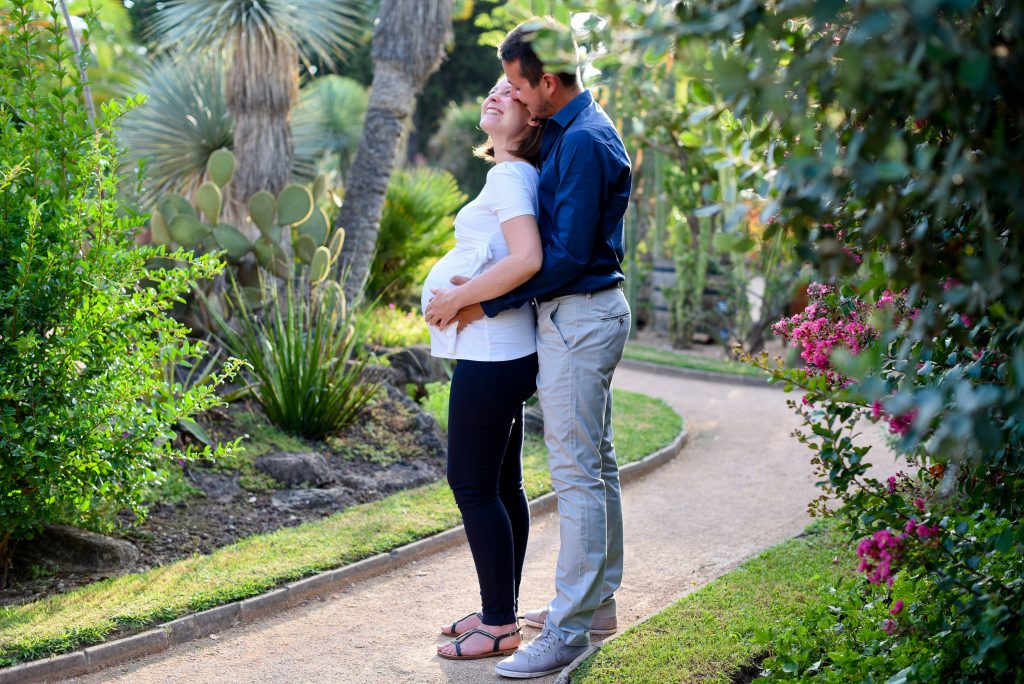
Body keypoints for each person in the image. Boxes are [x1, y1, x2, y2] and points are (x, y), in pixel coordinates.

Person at [429, 19, 633, 679]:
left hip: (579, 315)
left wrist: (477, 301)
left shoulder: (585, 143)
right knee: (593, 467)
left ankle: (569, 630)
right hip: (573, 317)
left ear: (546, 83)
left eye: (515, 86)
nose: (507, 95)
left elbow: (560, 258)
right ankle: (594, 609)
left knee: (576, 475)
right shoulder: (573, 136)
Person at [421, 77, 545, 661]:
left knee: (471, 484)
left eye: (511, 93)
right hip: (499, 349)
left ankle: (498, 623)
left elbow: (528, 260)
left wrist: (456, 304)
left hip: (493, 351)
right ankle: (503, 609)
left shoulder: (511, 175)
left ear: (534, 116)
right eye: (492, 90)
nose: (496, 96)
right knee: (500, 484)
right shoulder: (511, 175)